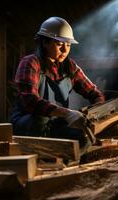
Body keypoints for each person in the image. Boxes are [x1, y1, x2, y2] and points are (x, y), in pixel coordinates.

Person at [10, 16, 105, 153]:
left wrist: (95, 113)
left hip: (55, 123)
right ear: (44, 43)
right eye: (59, 44)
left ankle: (65, 160)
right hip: (28, 124)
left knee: (84, 136)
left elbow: (94, 93)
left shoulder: (69, 66)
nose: (65, 50)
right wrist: (67, 114)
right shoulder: (31, 62)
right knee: (41, 119)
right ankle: (40, 155)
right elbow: (29, 100)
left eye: (68, 45)